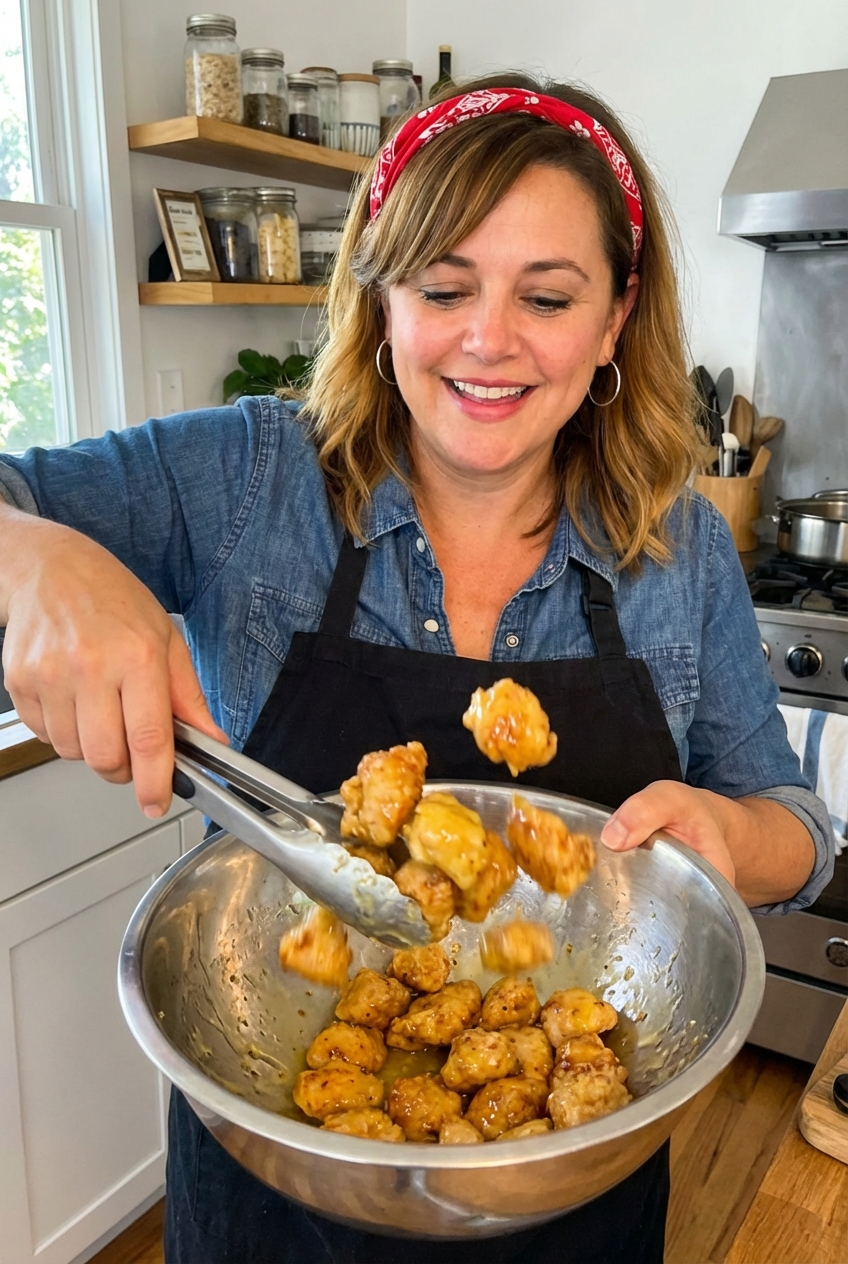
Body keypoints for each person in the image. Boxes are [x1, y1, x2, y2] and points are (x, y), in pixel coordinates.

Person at [0, 72, 833, 1264]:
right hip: (275, 1171)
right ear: (380, 298)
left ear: (611, 320)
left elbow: (799, 831)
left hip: (570, 1199)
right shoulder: (248, 481)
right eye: (444, 287)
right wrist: (30, 564)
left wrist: (729, 836)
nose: (488, 339)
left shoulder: (679, 542)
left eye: (545, 295)